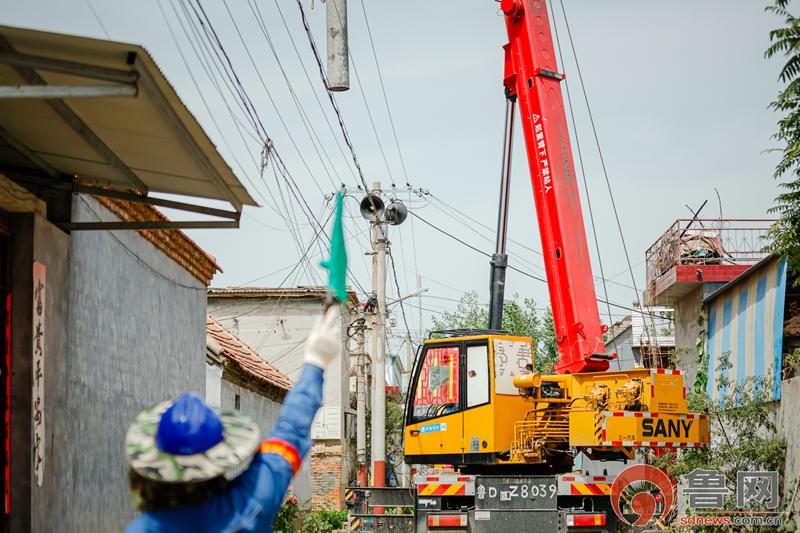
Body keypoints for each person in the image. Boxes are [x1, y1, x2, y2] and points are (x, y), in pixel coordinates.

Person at [124, 306, 341, 532]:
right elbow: (291, 431)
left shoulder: (143, 528)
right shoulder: (252, 501)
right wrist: (315, 362)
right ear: (220, 454)